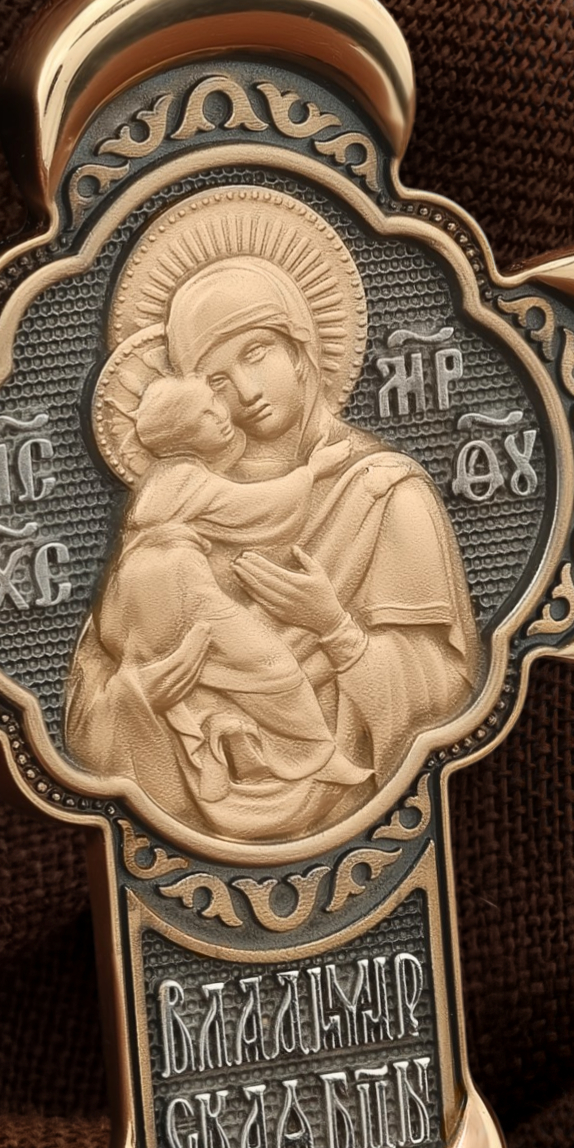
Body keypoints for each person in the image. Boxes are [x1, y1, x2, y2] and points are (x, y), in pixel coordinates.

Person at [68, 210, 477, 842]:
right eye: (217, 379)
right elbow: (93, 699)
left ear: (301, 347)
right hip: (178, 813)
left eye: (256, 353)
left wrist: (334, 628)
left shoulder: (382, 493)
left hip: (361, 811)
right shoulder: (176, 501)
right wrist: (141, 694)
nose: (245, 390)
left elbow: (445, 693)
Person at [109, 371, 372, 808]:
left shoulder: (169, 478)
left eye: (216, 404)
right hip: (176, 586)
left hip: (138, 595)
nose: (222, 415)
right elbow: (256, 509)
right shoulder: (184, 478)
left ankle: (218, 745)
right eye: (206, 414)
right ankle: (316, 754)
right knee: (272, 665)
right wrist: (311, 472)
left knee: (204, 674)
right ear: (181, 434)